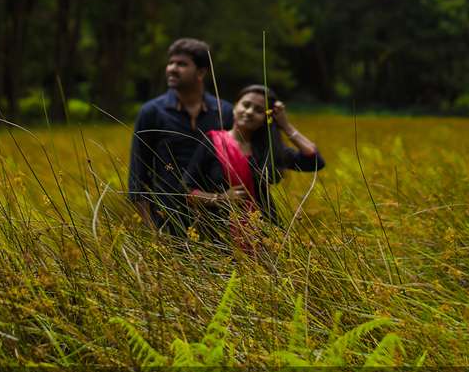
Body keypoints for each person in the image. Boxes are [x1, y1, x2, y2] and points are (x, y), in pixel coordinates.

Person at [185, 84, 325, 253]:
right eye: (246, 105)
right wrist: (220, 198)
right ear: (235, 106)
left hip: (265, 239)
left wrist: (285, 126)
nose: (250, 112)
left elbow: (314, 160)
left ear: (266, 117)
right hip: (219, 239)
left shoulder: (268, 149)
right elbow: (186, 191)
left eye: (259, 110)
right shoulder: (212, 143)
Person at [128, 38, 234, 236]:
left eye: (182, 64)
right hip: (166, 220)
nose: (172, 69)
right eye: (171, 63)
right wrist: (152, 231)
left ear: (201, 72)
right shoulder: (152, 112)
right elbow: (137, 175)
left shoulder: (224, 112)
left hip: (218, 220)